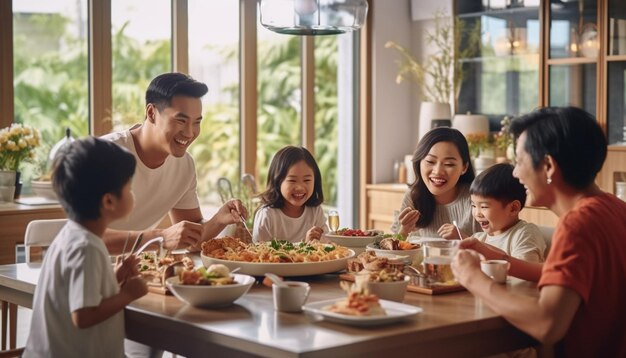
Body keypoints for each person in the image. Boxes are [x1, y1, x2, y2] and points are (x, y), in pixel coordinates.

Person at [452, 107, 626, 357]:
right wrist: (503, 259)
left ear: (548, 166)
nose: (515, 172)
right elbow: (577, 277)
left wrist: (472, 278)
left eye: (519, 161)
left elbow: (547, 325)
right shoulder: (616, 208)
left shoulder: (578, 224)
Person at [23, 137, 148, 358]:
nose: (132, 194)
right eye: (129, 188)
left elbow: (80, 293)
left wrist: (115, 278)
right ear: (108, 201)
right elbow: (82, 315)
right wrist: (128, 294)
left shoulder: (71, 236)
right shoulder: (86, 247)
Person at [101, 72, 248, 253]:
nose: (189, 133)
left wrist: (218, 219)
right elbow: (85, 236)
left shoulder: (184, 166)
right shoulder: (103, 154)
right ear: (151, 113)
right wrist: (160, 238)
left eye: (196, 122)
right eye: (181, 120)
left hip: (138, 269)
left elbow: (192, 241)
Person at [393, 127, 480, 239]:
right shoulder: (413, 196)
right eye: (430, 161)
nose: (438, 171)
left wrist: (462, 238)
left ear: (464, 167)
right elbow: (393, 251)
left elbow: (495, 247)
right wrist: (404, 230)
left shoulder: (476, 199)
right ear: (419, 162)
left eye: (449, 164)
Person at [470, 163, 545, 262]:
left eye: (483, 206)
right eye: (473, 206)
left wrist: (484, 250)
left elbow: (524, 272)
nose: (477, 213)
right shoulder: (478, 238)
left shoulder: (525, 233)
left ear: (513, 208)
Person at [252, 146, 327, 243]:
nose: (300, 187)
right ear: (278, 181)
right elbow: (259, 254)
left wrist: (317, 243)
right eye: (292, 180)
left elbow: (327, 247)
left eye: (307, 180)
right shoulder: (267, 215)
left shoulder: (315, 212)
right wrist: (305, 245)